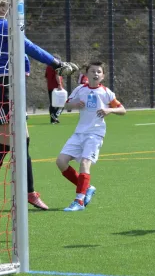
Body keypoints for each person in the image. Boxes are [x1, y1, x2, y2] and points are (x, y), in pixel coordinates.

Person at [0, 0, 78, 213]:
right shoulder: (2, 25)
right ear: (0, 8)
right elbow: (28, 46)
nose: (13, 9)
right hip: (2, 88)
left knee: (19, 142)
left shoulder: (5, 25)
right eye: (8, 5)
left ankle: (20, 191)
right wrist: (56, 63)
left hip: (13, 88)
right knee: (9, 143)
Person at [56, 61, 125, 212]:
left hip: (95, 134)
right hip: (79, 133)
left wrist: (109, 110)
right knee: (61, 161)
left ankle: (79, 201)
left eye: (99, 72)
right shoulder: (80, 89)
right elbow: (66, 105)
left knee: (85, 163)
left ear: (103, 76)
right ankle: (87, 187)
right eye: (92, 71)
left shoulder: (106, 92)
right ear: (86, 75)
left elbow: (122, 109)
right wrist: (74, 105)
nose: (95, 74)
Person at [45, 55, 64, 124]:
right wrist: (59, 84)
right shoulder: (57, 66)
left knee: (52, 104)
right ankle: (55, 116)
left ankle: (52, 120)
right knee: (62, 103)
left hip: (50, 87)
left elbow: (46, 77)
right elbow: (57, 75)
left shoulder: (48, 67)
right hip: (57, 87)